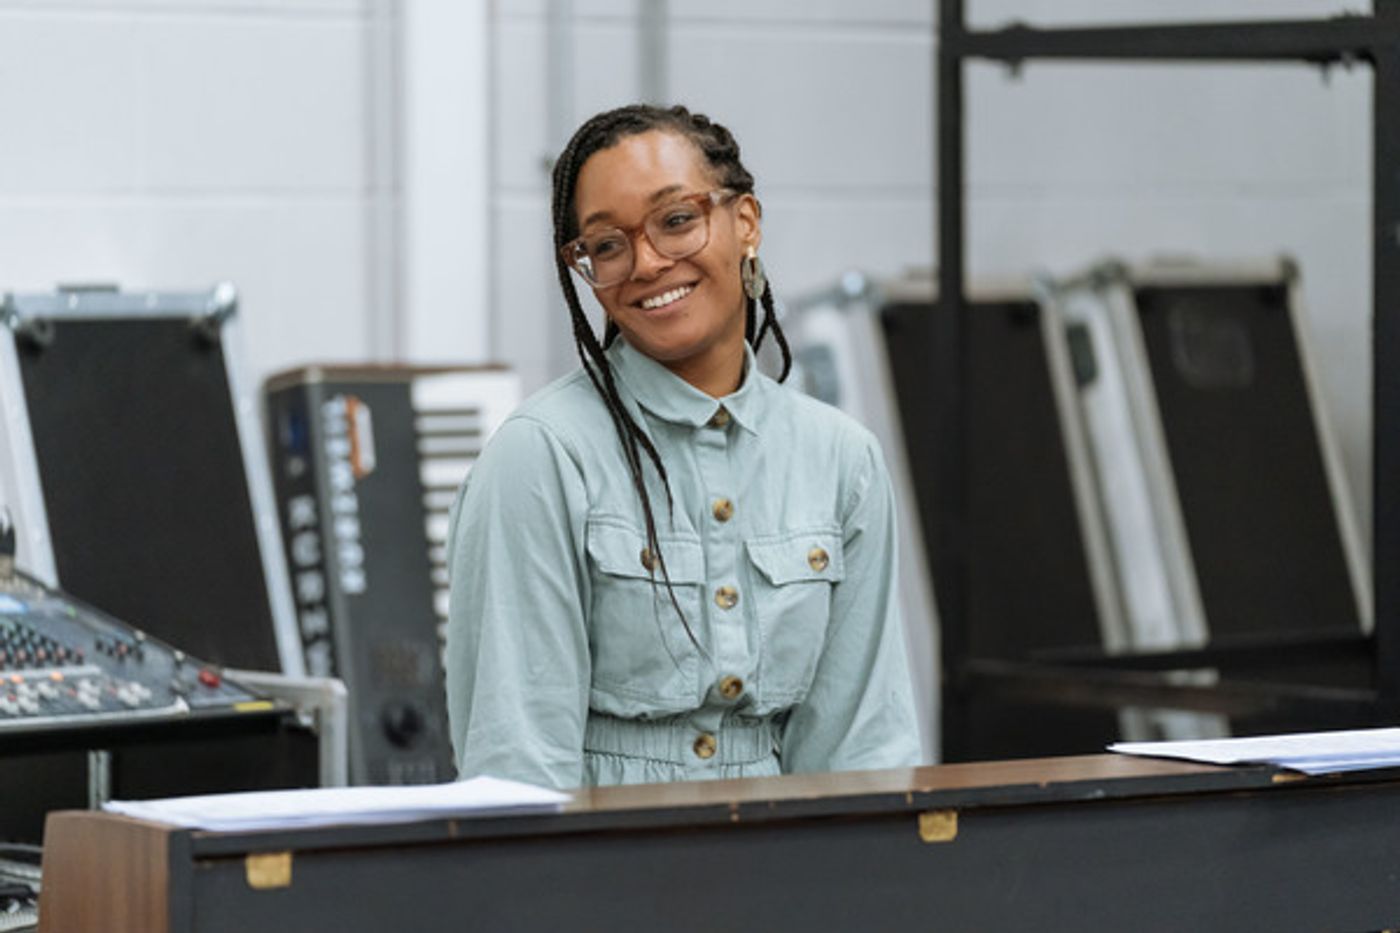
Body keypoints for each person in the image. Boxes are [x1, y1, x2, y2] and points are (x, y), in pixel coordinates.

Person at [445, 103, 920, 790]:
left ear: (745, 223)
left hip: (786, 870)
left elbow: (862, 750)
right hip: (599, 871)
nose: (645, 262)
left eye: (675, 221)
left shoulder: (843, 459)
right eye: (606, 246)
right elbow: (518, 770)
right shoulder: (541, 457)